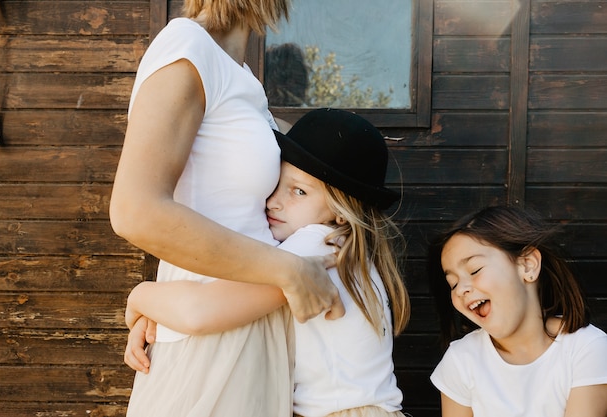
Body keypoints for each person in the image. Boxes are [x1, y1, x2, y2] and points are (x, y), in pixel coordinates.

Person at [108, 1, 346, 415]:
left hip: (254, 328)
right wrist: (288, 270)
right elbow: (135, 211)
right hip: (209, 343)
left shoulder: (241, 76)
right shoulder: (186, 47)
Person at [124, 108, 412, 417]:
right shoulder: (347, 249)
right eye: (276, 184)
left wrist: (139, 297)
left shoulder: (317, 244)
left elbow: (199, 312)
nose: (274, 201)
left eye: (298, 191)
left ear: (341, 210)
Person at [427, 205, 607, 417]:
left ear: (528, 266)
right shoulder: (461, 360)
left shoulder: (586, 348)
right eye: (453, 283)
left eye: (474, 270)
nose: (462, 289)